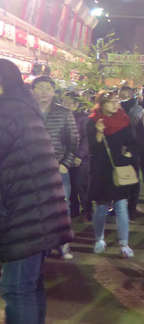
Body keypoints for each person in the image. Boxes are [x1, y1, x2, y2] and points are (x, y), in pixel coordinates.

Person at [0, 60, 73, 324]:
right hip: (39, 214)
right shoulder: (23, 110)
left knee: (17, 290)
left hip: (24, 216)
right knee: (29, 287)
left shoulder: (6, 114)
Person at [31, 75, 78, 260]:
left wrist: (66, 163)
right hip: (32, 167)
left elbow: (73, 140)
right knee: (36, 208)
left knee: (61, 207)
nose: (44, 91)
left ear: (53, 91)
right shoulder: (26, 111)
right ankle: (41, 244)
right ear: (32, 90)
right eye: (40, 87)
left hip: (57, 167)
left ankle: (63, 244)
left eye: (48, 88)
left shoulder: (64, 113)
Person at [86, 91, 137, 258]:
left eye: (117, 101)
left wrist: (129, 154)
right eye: (111, 102)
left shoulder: (123, 120)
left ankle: (124, 244)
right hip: (101, 170)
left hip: (119, 168)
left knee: (121, 206)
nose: (115, 105)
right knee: (101, 207)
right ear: (101, 104)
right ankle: (99, 240)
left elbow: (132, 143)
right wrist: (99, 132)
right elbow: (92, 149)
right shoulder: (93, 121)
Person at [63, 91, 92, 222]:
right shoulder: (63, 115)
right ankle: (74, 209)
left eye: (69, 102)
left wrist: (80, 155)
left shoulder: (84, 118)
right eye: (64, 101)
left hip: (82, 158)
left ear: (76, 103)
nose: (65, 104)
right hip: (66, 156)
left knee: (81, 185)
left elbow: (86, 139)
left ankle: (86, 210)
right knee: (71, 185)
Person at [119, 85, 144, 219]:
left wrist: (117, 117)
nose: (122, 99)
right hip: (118, 146)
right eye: (121, 96)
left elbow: (132, 122)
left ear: (132, 95)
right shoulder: (118, 107)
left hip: (133, 147)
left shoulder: (138, 108)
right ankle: (119, 205)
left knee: (133, 177)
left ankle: (132, 206)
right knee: (119, 176)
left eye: (125, 96)